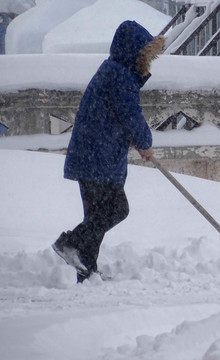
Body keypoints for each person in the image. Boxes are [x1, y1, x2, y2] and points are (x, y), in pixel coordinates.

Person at [52, 21, 165, 283]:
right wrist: (144, 141)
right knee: (117, 209)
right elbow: (131, 115)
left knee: (96, 216)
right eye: (145, 55)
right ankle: (70, 243)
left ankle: (86, 271)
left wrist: (135, 140)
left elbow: (120, 116)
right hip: (98, 157)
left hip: (94, 155)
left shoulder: (113, 72)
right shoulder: (120, 77)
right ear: (134, 53)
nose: (147, 61)